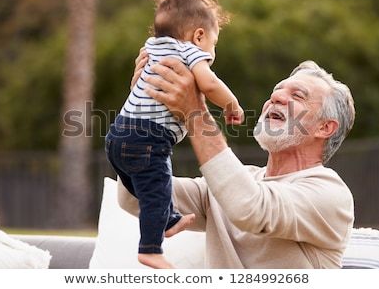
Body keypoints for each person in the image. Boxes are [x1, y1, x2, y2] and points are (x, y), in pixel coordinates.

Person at [117, 54, 356, 268]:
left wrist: (194, 111)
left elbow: (250, 208)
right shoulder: (233, 183)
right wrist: (142, 111)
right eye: (277, 90)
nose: (276, 97)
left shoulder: (330, 193)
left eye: (297, 96)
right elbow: (134, 197)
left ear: (325, 127)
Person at [105, 0, 244, 269]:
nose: (212, 52)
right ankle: (150, 249)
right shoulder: (190, 52)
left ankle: (168, 217)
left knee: (148, 189)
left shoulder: (152, 47)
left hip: (117, 135)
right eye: (213, 44)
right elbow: (209, 83)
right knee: (157, 187)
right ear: (199, 35)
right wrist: (232, 105)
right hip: (148, 139)